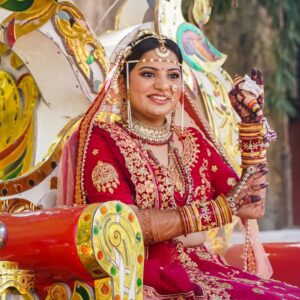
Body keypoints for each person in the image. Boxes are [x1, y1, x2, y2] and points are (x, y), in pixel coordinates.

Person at [64, 31, 300, 299]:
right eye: (149, 74)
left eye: (173, 75)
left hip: (205, 267)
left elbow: (251, 206)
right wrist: (219, 209)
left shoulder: (193, 141)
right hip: (143, 278)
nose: (164, 86)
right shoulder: (103, 139)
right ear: (122, 82)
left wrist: (251, 129)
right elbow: (124, 226)